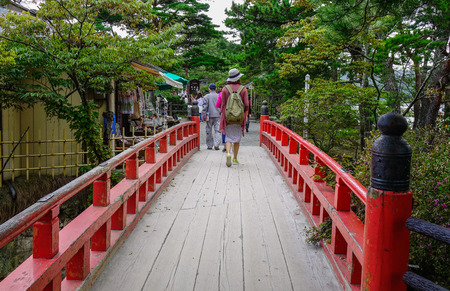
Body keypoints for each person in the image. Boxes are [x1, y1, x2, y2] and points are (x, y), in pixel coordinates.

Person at [220, 68, 249, 167]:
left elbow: (223, 105)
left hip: (228, 117)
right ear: (238, 78)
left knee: (228, 138)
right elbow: (246, 105)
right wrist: (245, 116)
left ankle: (228, 153)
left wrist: (223, 116)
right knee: (237, 139)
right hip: (239, 118)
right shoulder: (243, 89)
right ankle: (235, 158)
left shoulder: (225, 89)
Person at [202, 83, 221, 150]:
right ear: (216, 89)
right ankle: (216, 144)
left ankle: (210, 145)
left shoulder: (206, 96)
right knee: (217, 130)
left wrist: (204, 116)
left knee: (208, 130)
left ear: (209, 89)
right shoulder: (219, 96)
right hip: (218, 115)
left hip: (209, 115)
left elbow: (204, 107)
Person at [216, 86, 227, 152]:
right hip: (234, 113)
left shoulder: (221, 94)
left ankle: (225, 145)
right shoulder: (236, 92)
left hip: (224, 113)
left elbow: (217, 105)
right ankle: (234, 145)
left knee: (224, 129)